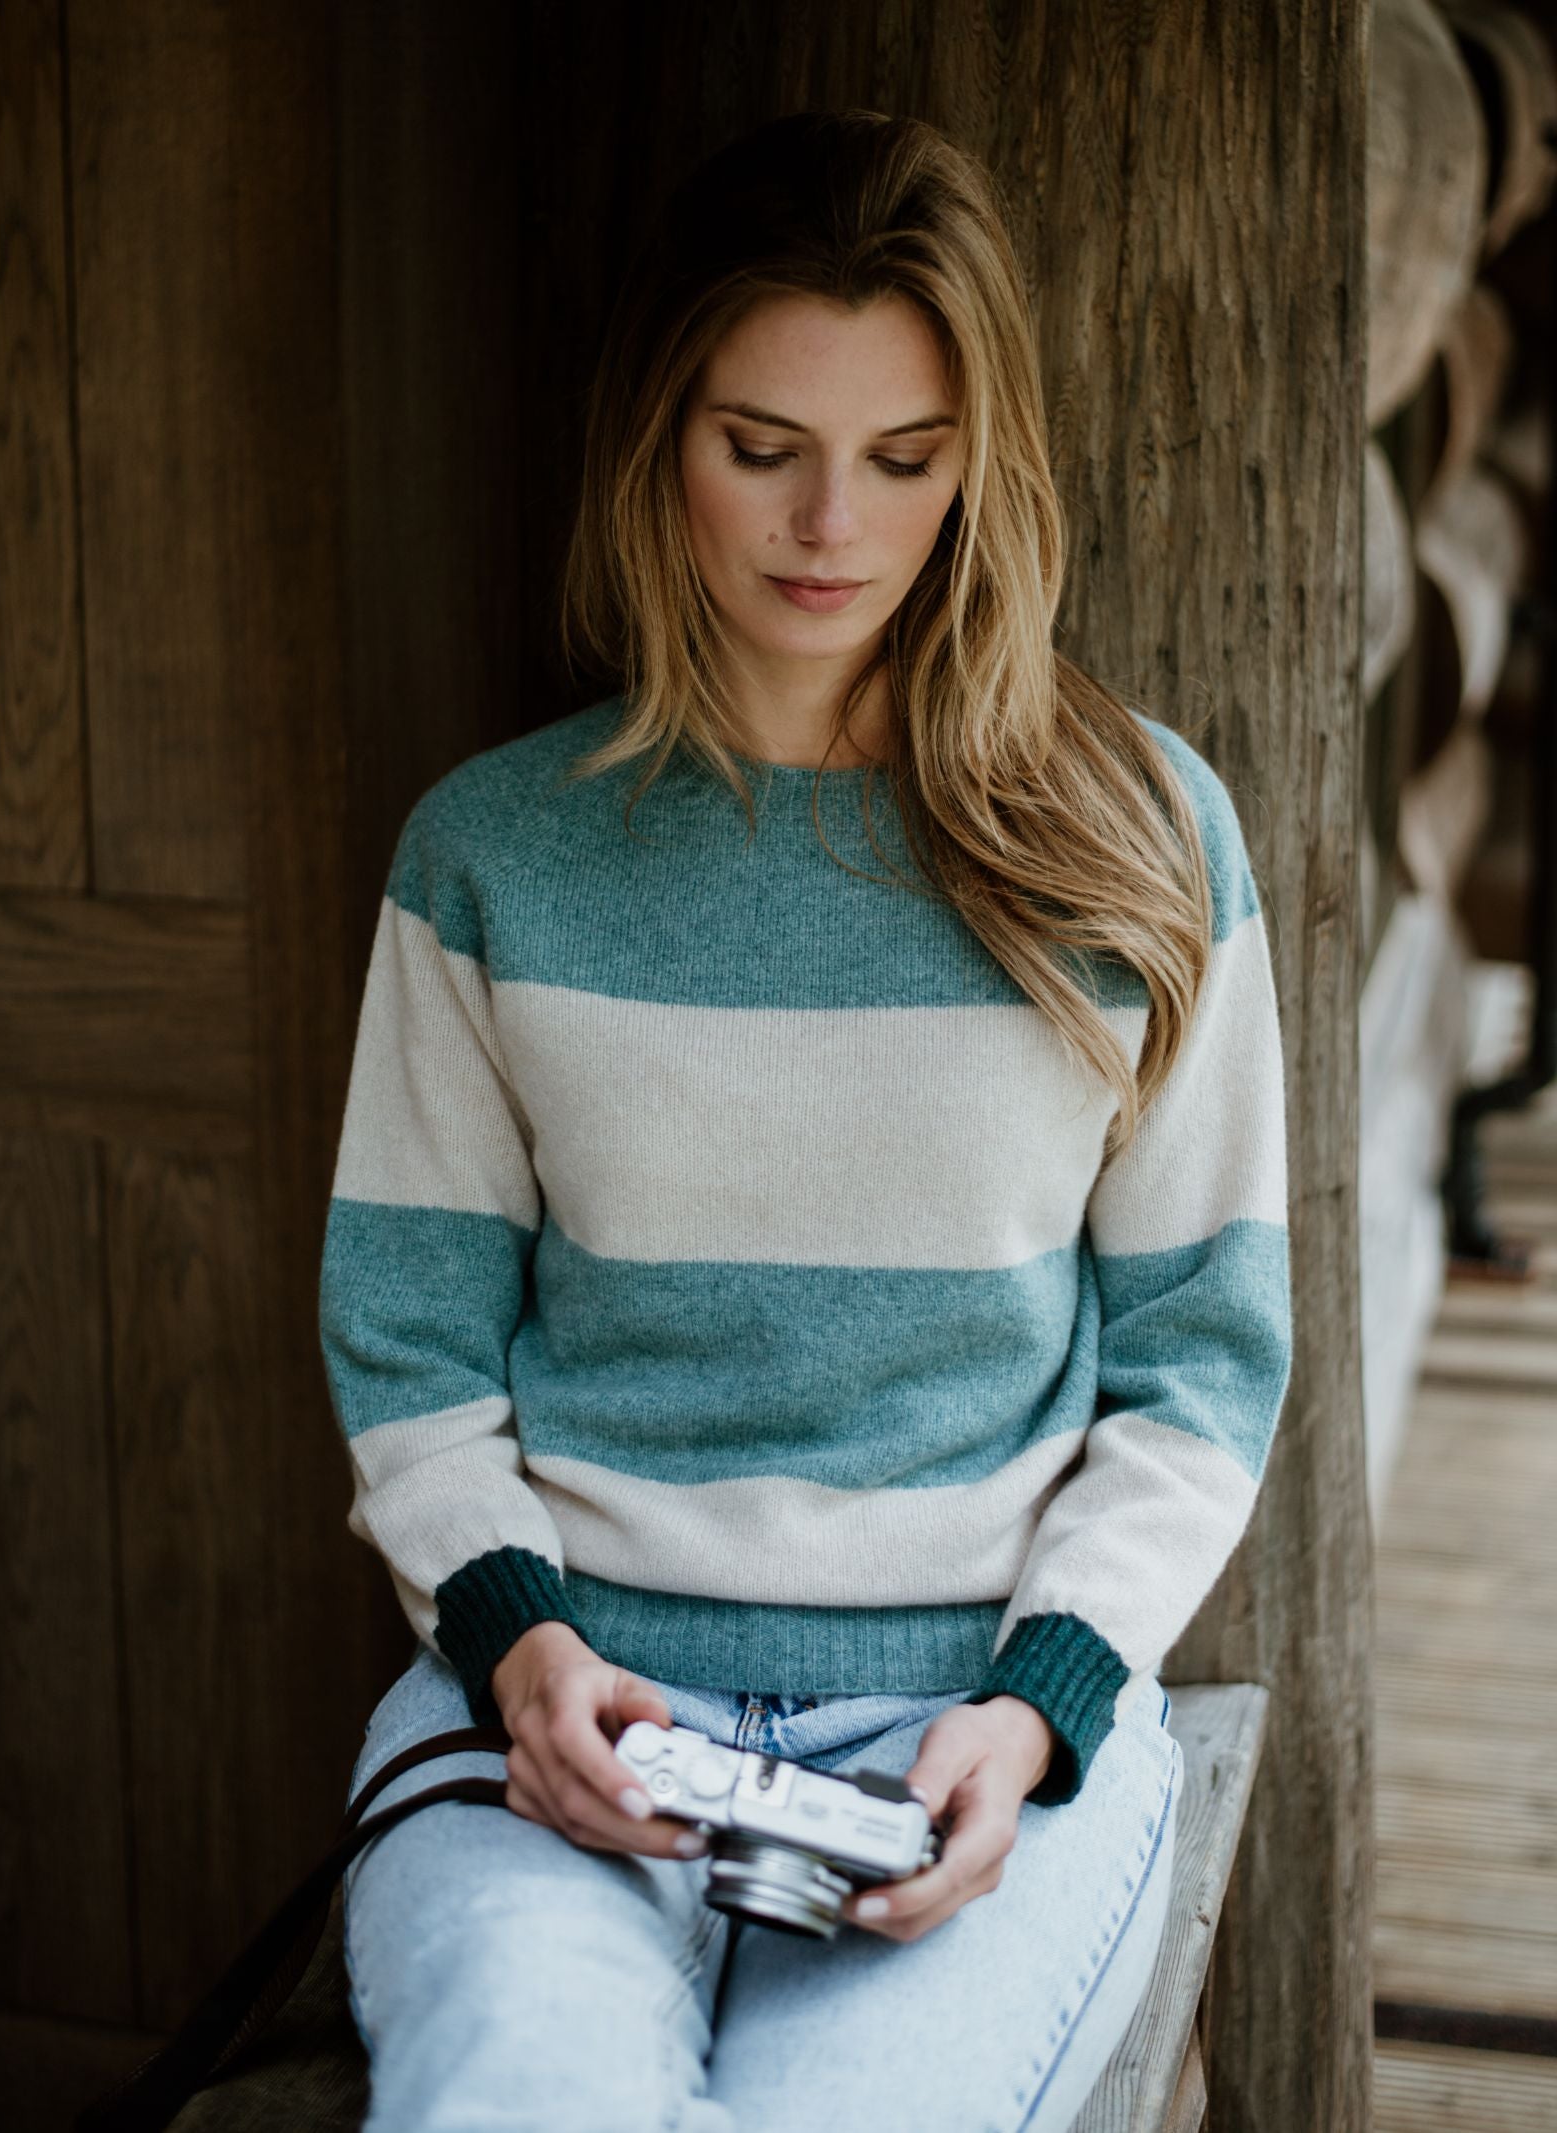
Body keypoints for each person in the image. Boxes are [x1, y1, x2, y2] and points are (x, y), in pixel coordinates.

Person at [320, 107, 1293, 2133]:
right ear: (652, 436)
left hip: (967, 1728)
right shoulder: (491, 855)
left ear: (981, 466)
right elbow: (407, 1342)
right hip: (555, 1716)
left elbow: (1201, 1360)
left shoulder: (1139, 841)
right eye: (758, 446)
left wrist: (1037, 1711)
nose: (827, 526)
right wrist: (514, 1649)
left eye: (902, 459)